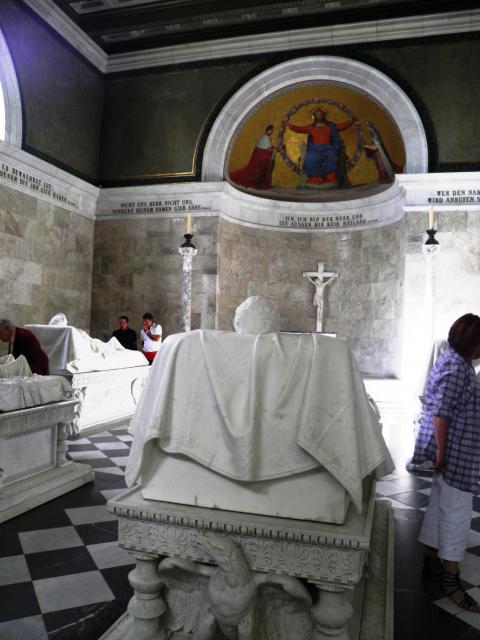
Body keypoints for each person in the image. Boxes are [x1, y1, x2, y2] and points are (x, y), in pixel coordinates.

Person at [412, 313, 480, 612]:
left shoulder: (453, 359)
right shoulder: (457, 368)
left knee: (441, 500)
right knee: (457, 510)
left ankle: (431, 558)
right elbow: (440, 412)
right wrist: (442, 453)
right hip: (456, 451)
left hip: (454, 448)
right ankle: (451, 578)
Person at [286, 107, 352, 186]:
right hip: (315, 149)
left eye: (321, 114)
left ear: (324, 115)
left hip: (328, 149)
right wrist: (289, 125)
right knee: (310, 157)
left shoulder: (331, 126)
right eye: (317, 115)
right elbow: (299, 129)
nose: (319, 116)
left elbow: (341, 126)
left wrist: (350, 121)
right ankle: (316, 178)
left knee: (332, 155)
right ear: (314, 116)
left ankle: (329, 177)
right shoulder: (311, 127)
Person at [229, 124, 276, 190]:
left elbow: (266, 147)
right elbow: (265, 150)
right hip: (259, 161)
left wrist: (272, 148)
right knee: (255, 173)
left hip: (258, 160)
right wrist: (272, 150)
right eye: (272, 130)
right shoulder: (265, 138)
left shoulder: (264, 137)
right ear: (269, 130)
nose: (272, 132)